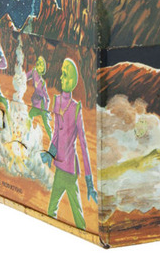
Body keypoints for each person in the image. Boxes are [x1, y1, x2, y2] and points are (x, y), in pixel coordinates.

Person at [41, 58, 97, 230]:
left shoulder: (76, 108)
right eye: (62, 73)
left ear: (72, 80)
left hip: (71, 172)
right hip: (59, 169)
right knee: (51, 210)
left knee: (78, 218)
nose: (61, 77)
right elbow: (56, 133)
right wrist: (50, 153)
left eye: (64, 75)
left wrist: (89, 183)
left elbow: (84, 145)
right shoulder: (57, 101)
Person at [26, 55, 51, 139]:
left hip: (42, 106)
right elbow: (25, 77)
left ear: (43, 69)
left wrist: (46, 109)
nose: (39, 67)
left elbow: (47, 98)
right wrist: (20, 80)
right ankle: (28, 135)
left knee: (46, 124)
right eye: (39, 64)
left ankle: (53, 140)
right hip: (35, 104)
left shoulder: (42, 83)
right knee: (29, 116)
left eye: (41, 66)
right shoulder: (34, 72)